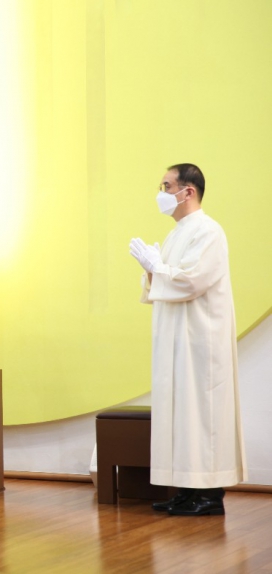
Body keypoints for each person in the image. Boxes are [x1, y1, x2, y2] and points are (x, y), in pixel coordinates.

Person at [129, 163, 246, 516]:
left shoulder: (208, 231)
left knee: (202, 415)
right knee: (180, 415)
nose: (161, 193)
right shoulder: (176, 233)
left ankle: (209, 494)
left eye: (166, 186)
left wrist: (157, 268)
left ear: (188, 191)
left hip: (200, 342)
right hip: (176, 341)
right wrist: (151, 270)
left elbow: (192, 281)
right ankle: (186, 489)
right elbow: (165, 283)